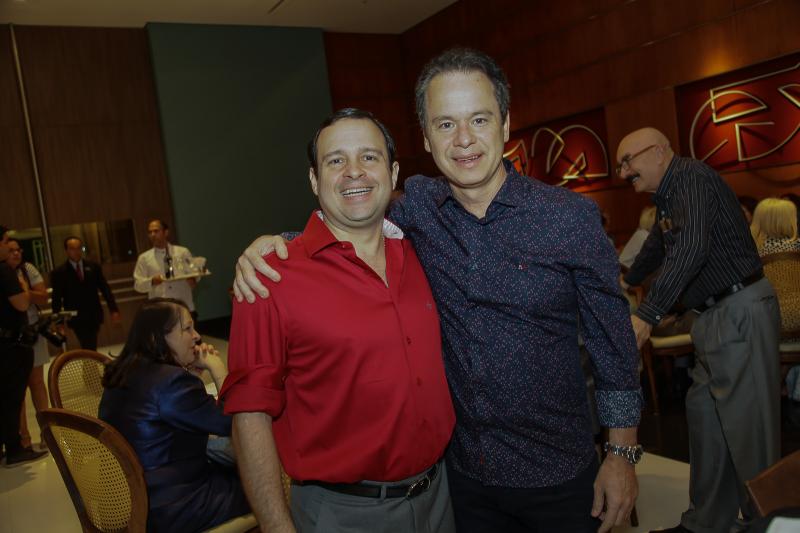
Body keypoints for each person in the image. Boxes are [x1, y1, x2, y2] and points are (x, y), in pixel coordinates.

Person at [234, 49, 642, 533]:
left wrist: (621, 454)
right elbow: (352, 213)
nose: (464, 139)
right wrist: (279, 243)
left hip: (558, 475)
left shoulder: (569, 219)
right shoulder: (419, 211)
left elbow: (614, 345)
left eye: (479, 119)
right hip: (462, 483)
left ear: (506, 124)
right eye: (446, 124)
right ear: (426, 138)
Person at [219, 109, 456, 533]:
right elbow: (249, 417)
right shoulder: (269, 277)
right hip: (344, 514)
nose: (354, 171)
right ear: (314, 180)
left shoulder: (423, 253)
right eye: (335, 160)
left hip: (441, 498)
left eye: (369, 156)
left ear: (392, 172)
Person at [617, 127, 780, 533]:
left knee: (749, 435)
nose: (623, 172)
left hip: (737, 311)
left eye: (627, 161)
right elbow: (657, 247)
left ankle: (768, 524)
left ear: (658, 152)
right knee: (707, 423)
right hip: (712, 319)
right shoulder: (669, 196)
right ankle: (705, 523)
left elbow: (690, 249)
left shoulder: (690, 177)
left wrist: (646, 314)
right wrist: (623, 279)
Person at [98, 298, 249, 532]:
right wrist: (218, 368)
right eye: (187, 329)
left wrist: (190, 376)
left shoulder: (121, 373)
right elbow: (235, 423)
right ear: (156, 337)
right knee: (265, 484)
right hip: (174, 507)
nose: (197, 336)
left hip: (128, 501)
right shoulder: (171, 383)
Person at [0, 226, 48, 466]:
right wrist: (26, 291)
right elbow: (21, 303)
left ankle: (40, 436)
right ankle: (18, 444)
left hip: (25, 336)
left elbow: (43, 296)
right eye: (7, 246)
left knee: (35, 385)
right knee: (13, 396)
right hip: (12, 342)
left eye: (17, 249)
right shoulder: (5, 272)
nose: (14, 252)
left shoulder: (27, 269)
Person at [50, 236, 120, 350]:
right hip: (76, 316)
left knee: (90, 343)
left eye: (79, 248)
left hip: (94, 313)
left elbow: (105, 289)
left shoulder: (93, 267)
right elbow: (56, 298)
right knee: (88, 343)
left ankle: (90, 360)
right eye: (72, 249)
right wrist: (58, 322)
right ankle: (91, 360)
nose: (76, 251)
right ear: (66, 251)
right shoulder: (60, 272)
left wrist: (114, 310)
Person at [133, 219, 198, 319]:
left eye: (156, 231)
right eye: (150, 232)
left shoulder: (182, 252)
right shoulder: (144, 258)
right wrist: (152, 281)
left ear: (166, 232)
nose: (152, 235)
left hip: (184, 306)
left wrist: (193, 279)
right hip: (160, 310)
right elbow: (138, 285)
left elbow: (195, 273)